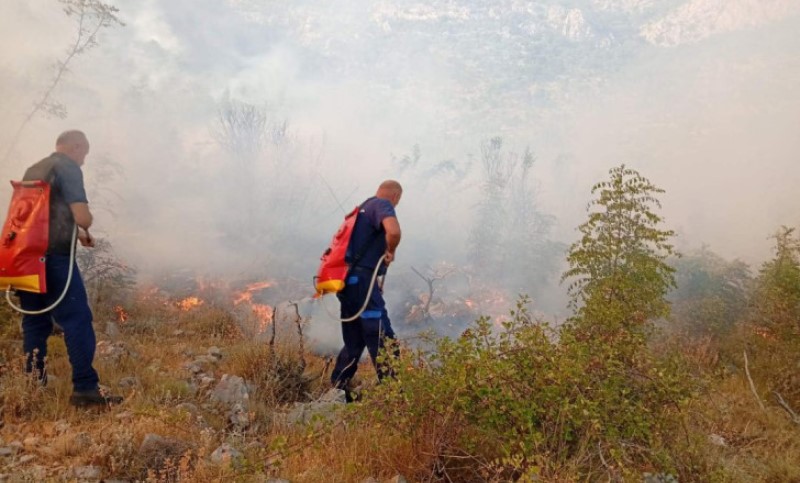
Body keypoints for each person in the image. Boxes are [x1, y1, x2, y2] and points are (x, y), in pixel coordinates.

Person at [17, 130, 122, 407]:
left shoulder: (34, 169)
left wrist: (78, 235)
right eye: (84, 154)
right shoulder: (68, 167)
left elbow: (43, 218)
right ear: (76, 147)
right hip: (55, 258)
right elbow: (82, 216)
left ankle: (32, 388)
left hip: (25, 257)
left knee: (35, 322)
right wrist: (86, 223)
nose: (83, 160)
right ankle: (85, 390)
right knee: (77, 319)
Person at [330, 180, 402, 401]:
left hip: (348, 283)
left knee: (355, 340)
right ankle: (394, 395)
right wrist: (391, 250)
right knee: (381, 333)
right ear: (396, 196)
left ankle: (337, 390)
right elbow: (394, 231)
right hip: (362, 282)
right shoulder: (382, 204)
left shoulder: (362, 208)